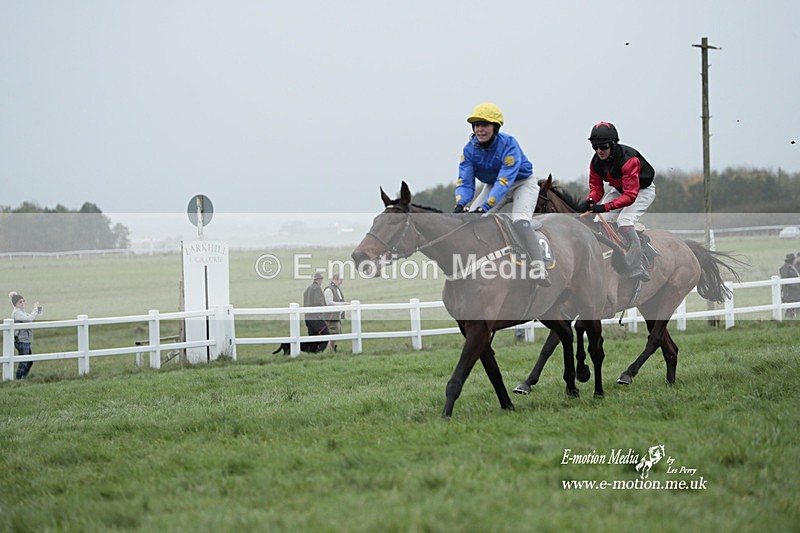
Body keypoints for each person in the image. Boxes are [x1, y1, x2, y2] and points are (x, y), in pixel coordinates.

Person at [453, 102, 550, 286]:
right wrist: (460, 203)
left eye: (485, 125)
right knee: (471, 224)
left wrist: (483, 208)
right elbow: (465, 182)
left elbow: (504, 182)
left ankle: (539, 265)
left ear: (495, 128)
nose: (480, 130)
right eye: (477, 125)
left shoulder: (509, 144)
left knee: (520, 222)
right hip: (493, 185)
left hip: (522, 183)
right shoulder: (469, 150)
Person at [578, 121, 656, 281]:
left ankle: (636, 264)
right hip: (620, 190)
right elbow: (596, 188)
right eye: (595, 147)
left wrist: (604, 207)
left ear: (613, 144)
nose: (599, 151)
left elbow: (630, 196)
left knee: (624, 221)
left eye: (603, 146)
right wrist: (590, 200)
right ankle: (617, 250)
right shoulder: (595, 162)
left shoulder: (629, 160)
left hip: (641, 191)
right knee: (600, 220)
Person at [9, 291, 41, 379]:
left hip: (25, 339)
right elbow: (29, 319)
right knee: (24, 361)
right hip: (21, 340)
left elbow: (29, 317)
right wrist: (35, 310)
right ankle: (19, 379)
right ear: (15, 304)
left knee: (29, 361)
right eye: (20, 302)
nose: (22, 303)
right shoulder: (17, 313)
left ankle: (23, 377)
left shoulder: (21, 312)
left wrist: (37, 311)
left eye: (23, 301)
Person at [323, 272, 346, 352]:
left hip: (336, 316)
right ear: (336, 279)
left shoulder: (336, 289)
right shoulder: (329, 289)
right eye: (340, 280)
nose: (341, 282)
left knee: (335, 334)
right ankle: (330, 350)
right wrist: (343, 304)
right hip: (331, 316)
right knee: (333, 334)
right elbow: (329, 303)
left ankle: (331, 349)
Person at [302, 272, 328, 338]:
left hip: (307, 317)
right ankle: (320, 348)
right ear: (319, 280)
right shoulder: (317, 288)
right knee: (326, 332)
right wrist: (325, 308)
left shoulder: (308, 289)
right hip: (316, 317)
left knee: (312, 337)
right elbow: (318, 302)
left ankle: (313, 348)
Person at [779, 253, 800, 318]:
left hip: (794, 292)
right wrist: (794, 285)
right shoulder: (785, 268)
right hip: (790, 293)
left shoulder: (792, 267)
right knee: (792, 308)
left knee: (795, 307)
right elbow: (785, 279)